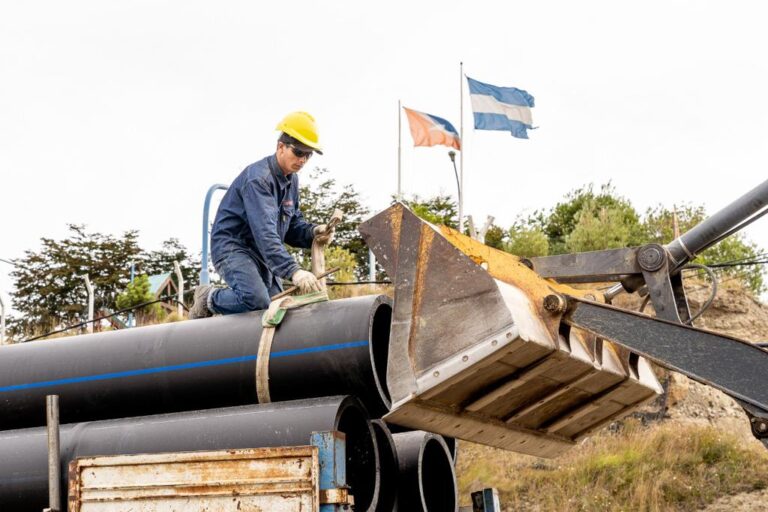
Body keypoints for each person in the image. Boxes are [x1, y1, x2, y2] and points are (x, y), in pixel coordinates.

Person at [189, 111, 334, 318]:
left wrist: (314, 232)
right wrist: (294, 271)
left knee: (278, 307)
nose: (303, 160)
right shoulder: (258, 180)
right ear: (280, 147)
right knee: (257, 301)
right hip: (233, 247)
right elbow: (266, 234)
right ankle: (208, 298)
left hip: (260, 254)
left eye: (308, 155)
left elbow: (291, 226)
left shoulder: (291, 180)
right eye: (299, 152)